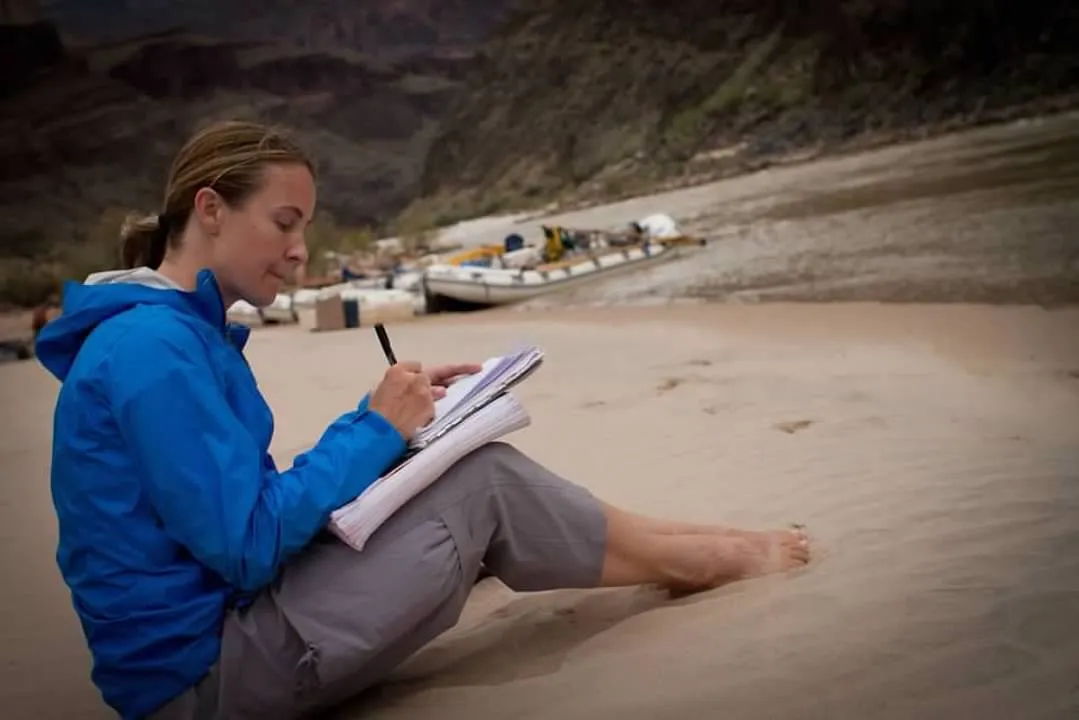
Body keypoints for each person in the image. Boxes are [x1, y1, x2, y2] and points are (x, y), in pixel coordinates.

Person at [35, 121, 810, 720]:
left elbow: (229, 512)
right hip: (207, 680)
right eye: (284, 222)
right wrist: (375, 428)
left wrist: (383, 422)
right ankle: (702, 558)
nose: (300, 251)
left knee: (434, 466)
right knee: (485, 482)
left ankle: (683, 541)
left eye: (304, 228)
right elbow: (245, 545)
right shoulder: (153, 348)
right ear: (210, 209)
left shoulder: (169, 334)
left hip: (215, 646)